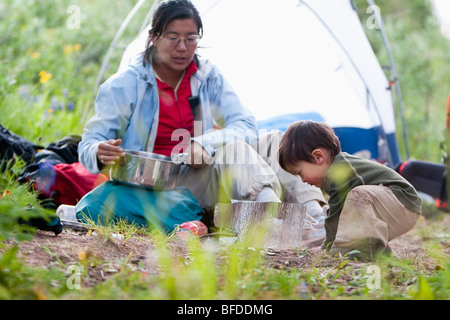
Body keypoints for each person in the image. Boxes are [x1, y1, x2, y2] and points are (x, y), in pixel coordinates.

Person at [78, 0, 325, 229]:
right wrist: (98, 150)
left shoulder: (207, 77)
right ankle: (270, 220)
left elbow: (246, 124)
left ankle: (317, 218)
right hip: (156, 186)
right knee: (233, 151)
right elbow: (89, 142)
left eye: (191, 38)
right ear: (153, 37)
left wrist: (204, 143)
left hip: (198, 174)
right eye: (173, 38)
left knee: (274, 141)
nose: (183, 48)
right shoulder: (125, 85)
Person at [278, 120, 422, 259]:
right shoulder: (334, 173)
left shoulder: (341, 168)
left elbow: (334, 219)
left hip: (403, 202)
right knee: (351, 207)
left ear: (318, 157)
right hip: (392, 206)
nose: (302, 180)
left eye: (300, 173)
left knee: (357, 196)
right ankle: (379, 252)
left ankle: (353, 251)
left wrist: (327, 249)